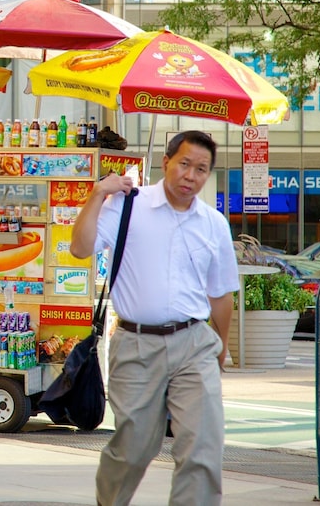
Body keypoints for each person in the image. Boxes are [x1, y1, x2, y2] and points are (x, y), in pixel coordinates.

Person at [70, 131, 239, 505]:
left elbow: (221, 294)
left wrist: (221, 348)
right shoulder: (128, 205)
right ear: (166, 162)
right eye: (184, 164)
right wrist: (97, 194)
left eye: (201, 169)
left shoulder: (214, 224)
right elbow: (80, 248)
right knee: (134, 447)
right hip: (136, 344)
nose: (190, 175)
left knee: (203, 445)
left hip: (194, 343)